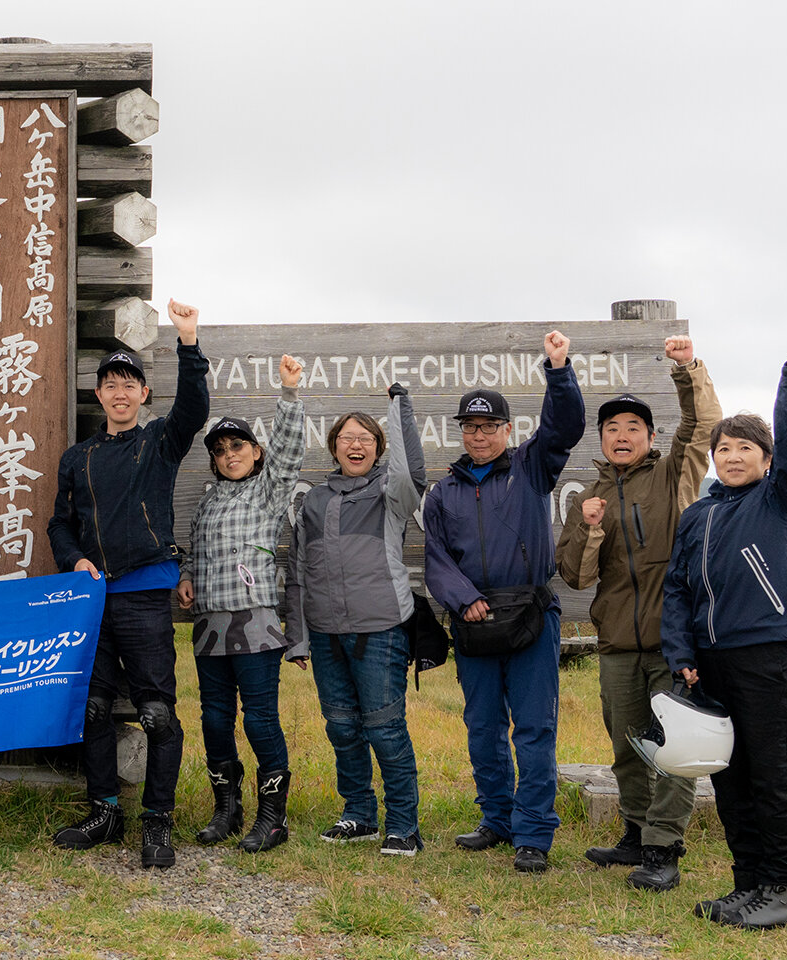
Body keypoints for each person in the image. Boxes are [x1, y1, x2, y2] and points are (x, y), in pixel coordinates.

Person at [48, 300, 211, 870]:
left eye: (130, 384)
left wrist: (189, 343)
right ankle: (105, 811)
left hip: (144, 595)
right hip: (90, 600)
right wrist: (72, 562)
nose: (120, 393)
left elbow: (195, 407)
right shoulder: (78, 458)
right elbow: (59, 524)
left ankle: (158, 822)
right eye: (110, 384)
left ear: (143, 395)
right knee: (91, 710)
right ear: (100, 396)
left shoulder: (162, 442)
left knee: (157, 713)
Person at [555, 336, 722, 892]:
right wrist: (592, 526)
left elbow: (702, 427)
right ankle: (633, 834)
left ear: (649, 438)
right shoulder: (591, 494)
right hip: (617, 645)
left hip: (675, 642)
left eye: (632, 428)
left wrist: (687, 370)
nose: (621, 436)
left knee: (674, 750)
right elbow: (576, 576)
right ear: (601, 440)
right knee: (628, 746)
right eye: (611, 429)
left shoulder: (674, 475)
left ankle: (663, 847)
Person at [664, 348, 787, 930]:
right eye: (723, 448)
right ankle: (748, 885)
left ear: (766, 459)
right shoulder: (697, 516)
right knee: (729, 779)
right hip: (710, 663)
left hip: (769, 656)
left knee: (772, 777)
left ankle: (781, 889)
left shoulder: (781, 500)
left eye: (745, 448)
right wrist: (681, 654)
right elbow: (677, 591)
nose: (731, 456)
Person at [422, 331, 585, 874]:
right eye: (470, 428)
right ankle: (497, 818)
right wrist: (463, 599)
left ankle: (534, 834)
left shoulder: (532, 467)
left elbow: (565, 427)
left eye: (489, 427)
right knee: (482, 725)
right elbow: (436, 557)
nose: (479, 436)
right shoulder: (443, 492)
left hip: (531, 617)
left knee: (535, 728)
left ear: (506, 430)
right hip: (474, 622)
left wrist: (558, 370)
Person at [286, 381, 429, 858]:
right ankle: (360, 815)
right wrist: (299, 639)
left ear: (378, 448)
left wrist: (400, 407)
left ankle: (404, 825)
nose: (356, 444)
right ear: (333, 448)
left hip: (381, 629)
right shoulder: (315, 501)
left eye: (366, 438)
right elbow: (300, 571)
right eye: (347, 437)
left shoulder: (392, 492)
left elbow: (414, 470)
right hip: (326, 634)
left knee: (385, 728)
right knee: (342, 727)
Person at [178, 355, 306, 854]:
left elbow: (291, 452)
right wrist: (188, 576)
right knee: (213, 718)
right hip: (209, 625)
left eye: (238, 446)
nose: (230, 454)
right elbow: (192, 546)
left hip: (256, 625)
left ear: (256, 451)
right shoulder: (208, 501)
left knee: (259, 719)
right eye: (221, 450)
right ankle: (227, 810)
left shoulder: (270, 491)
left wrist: (289, 394)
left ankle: (272, 818)